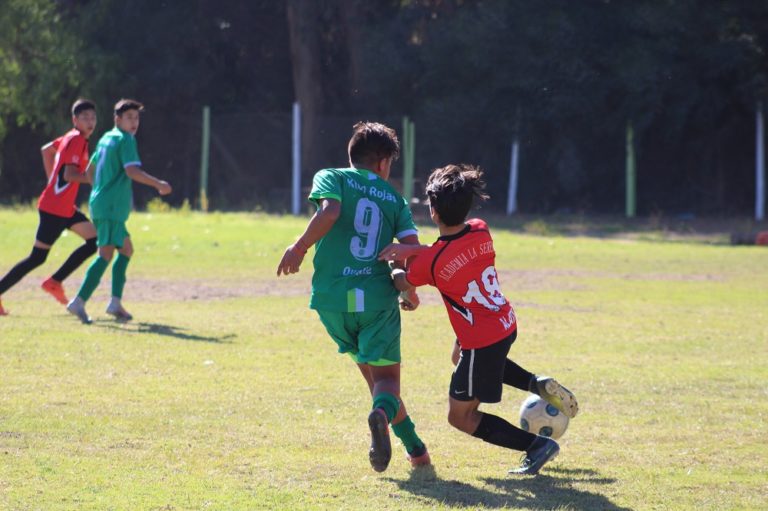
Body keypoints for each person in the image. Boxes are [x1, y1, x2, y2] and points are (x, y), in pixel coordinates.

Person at [378, 163, 579, 475]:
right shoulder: (480, 229)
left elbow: (404, 281)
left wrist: (393, 263)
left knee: (461, 416)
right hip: (504, 322)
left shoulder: (431, 261)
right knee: (480, 363)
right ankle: (534, 383)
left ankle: (537, 446)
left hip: (481, 338)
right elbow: (449, 256)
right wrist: (413, 250)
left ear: (433, 211)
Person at [276, 121, 430, 472]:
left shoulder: (332, 176)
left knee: (378, 384)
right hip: (375, 301)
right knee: (387, 383)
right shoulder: (394, 198)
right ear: (383, 162)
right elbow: (409, 251)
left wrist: (299, 248)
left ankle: (417, 450)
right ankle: (387, 422)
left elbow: (329, 211)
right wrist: (408, 288)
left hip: (332, 301)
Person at [66, 99, 171, 324]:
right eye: (129, 118)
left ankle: (115, 303)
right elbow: (132, 171)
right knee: (105, 254)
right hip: (111, 207)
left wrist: (98, 191)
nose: (134, 122)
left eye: (136, 118)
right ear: (118, 119)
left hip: (103, 204)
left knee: (126, 250)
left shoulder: (106, 138)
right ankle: (78, 301)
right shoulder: (125, 140)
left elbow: (89, 170)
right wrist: (158, 184)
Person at [0, 99, 99, 316]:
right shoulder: (76, 141)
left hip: (64, 208)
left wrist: (52, 183)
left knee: (95, 241)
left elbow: (46, 151)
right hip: (54, 210)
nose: (90, 121)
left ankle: (54, 281)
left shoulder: (71, 137)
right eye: (84, 118)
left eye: (92, 117)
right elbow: (69, 174)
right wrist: (94, 179)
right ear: (75, 120)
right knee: (37, 258)